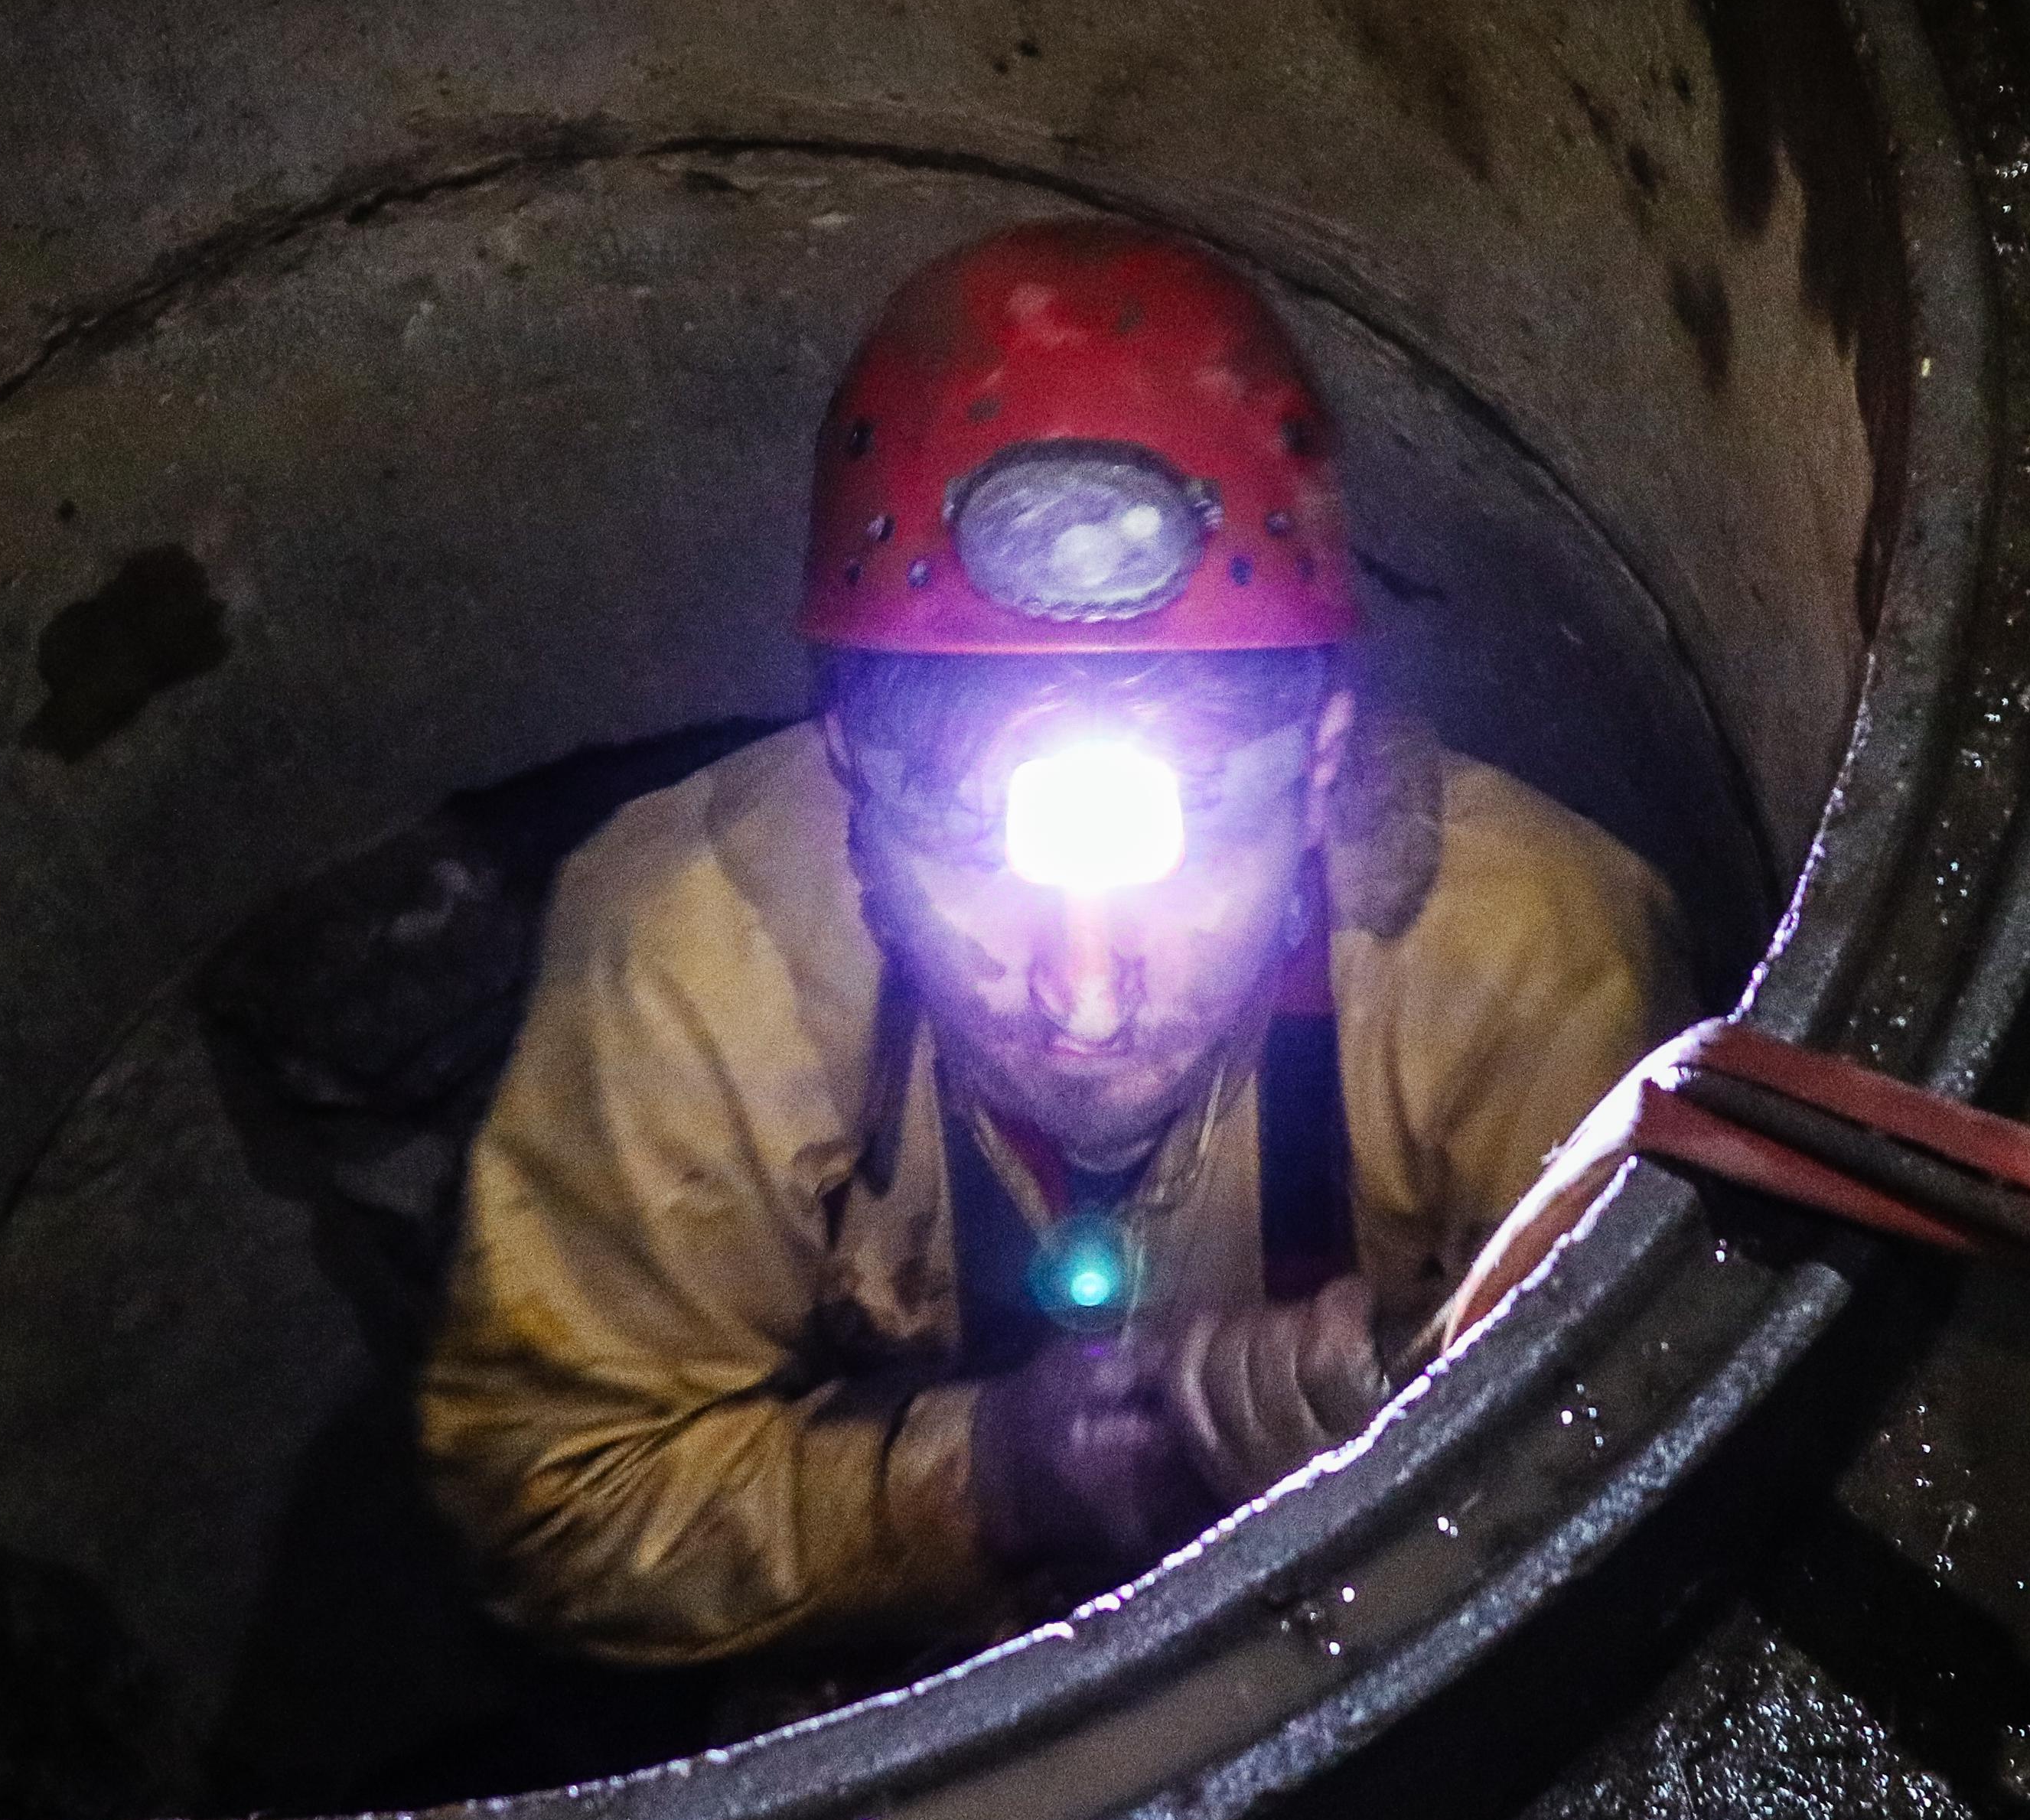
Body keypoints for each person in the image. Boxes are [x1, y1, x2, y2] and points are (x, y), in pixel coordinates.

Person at [417, 219, 1694, 1687]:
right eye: (974, 848)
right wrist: (978, 1481)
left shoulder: (1525, 956)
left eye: (1186, 847)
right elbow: (552, 1493)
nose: (1085, 1001)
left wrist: (1426, 1423)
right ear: (847, 767)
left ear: (1319, 757)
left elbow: (1649, 1445)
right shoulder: (690, 953)